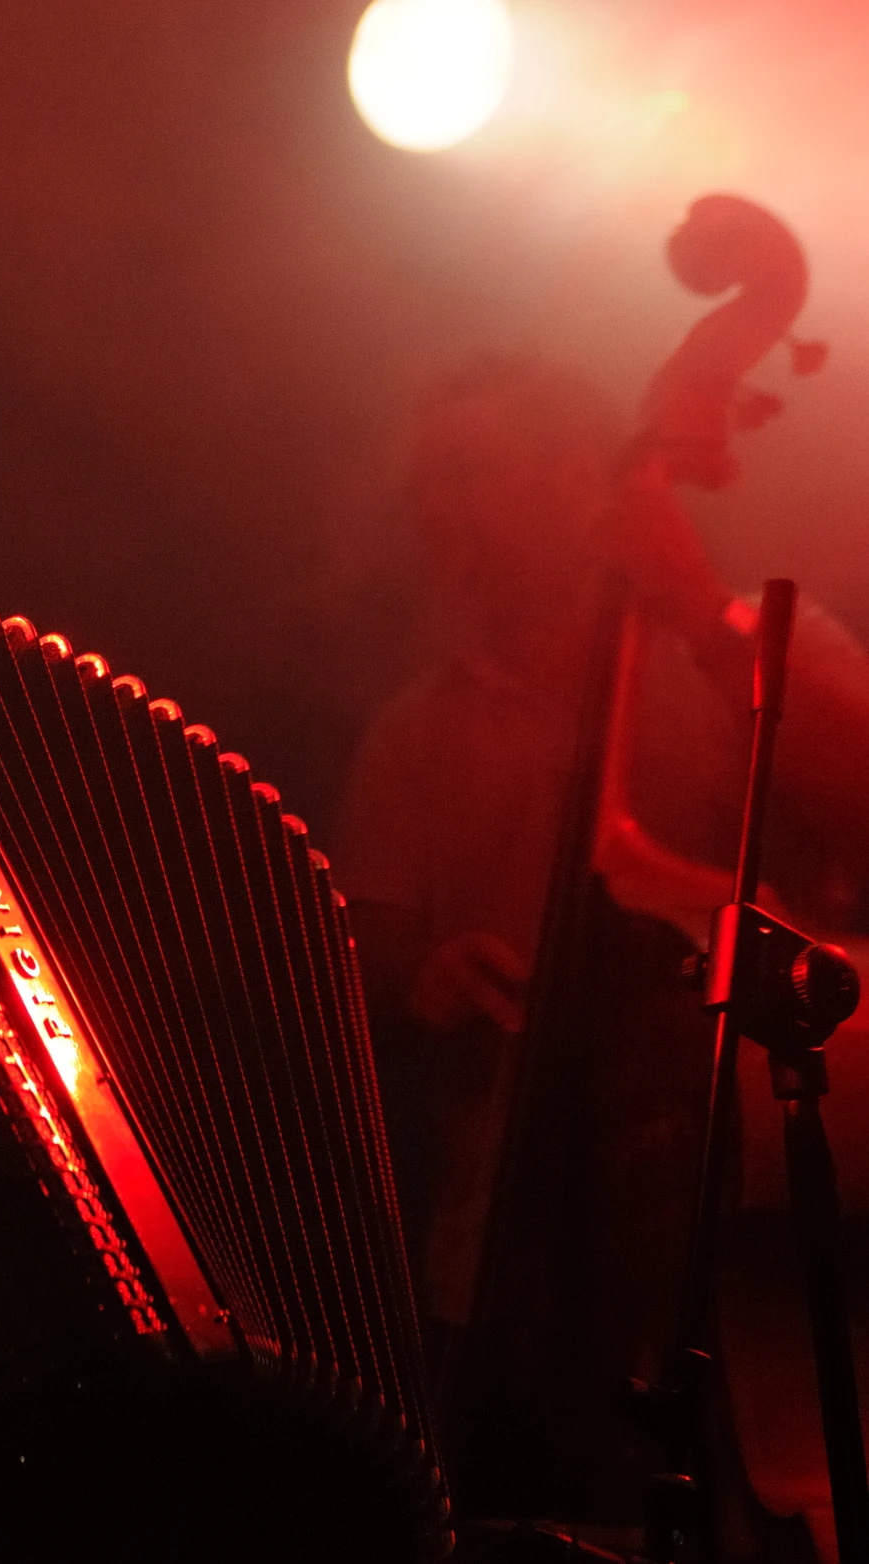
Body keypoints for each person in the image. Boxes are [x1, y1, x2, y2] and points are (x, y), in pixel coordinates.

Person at [334, 353, 869, 1522]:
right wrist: (419, 973)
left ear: (583, 478)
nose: (436, 511)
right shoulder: (418, 728)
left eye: (467, 476)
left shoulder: (744, 652)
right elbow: (359, 956)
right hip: (495, 1257)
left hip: (730, 1268)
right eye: (428, 483)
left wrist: (694, 605)